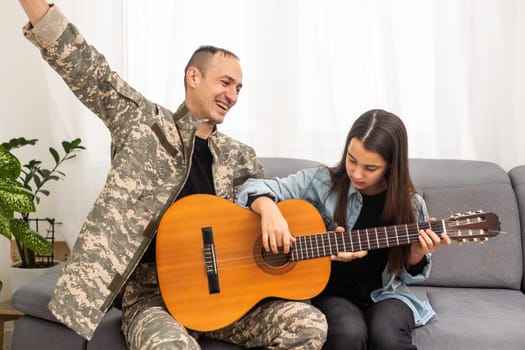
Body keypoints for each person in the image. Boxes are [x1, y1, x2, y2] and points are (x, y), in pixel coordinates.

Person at [17, 1, 328, 349]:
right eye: (225, 82)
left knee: (308, 323)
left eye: (239, 88)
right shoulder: (143, 125)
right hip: (152, 299)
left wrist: (285, 216)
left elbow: (261, 223)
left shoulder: (242, 158)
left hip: (226, 303)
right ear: (193, 77)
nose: (233, 95)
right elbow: (89, 69)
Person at [236, 109, 451, 350]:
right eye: (351, 160)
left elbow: (408, 274)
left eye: (370, 168)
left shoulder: (411, 205)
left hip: (385, 293)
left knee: (388, 337)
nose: (356, 174)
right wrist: (268, 209)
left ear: (390, 166)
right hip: (332, 295)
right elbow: (250, 187)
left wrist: (416, 254)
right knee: (348, 334)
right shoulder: (320, 181)